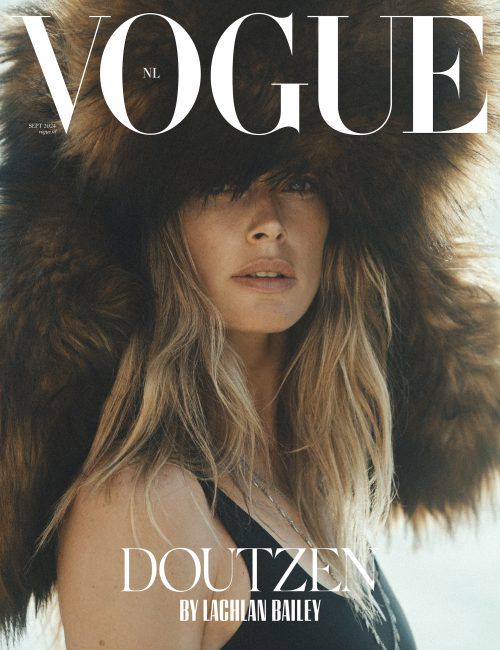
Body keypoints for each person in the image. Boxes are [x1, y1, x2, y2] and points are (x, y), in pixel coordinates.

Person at [0, 1, 498, 649]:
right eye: (222, 183)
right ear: (162, 230)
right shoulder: (144, 512)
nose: (267, 222)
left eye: (298, 181)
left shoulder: (309, 494)